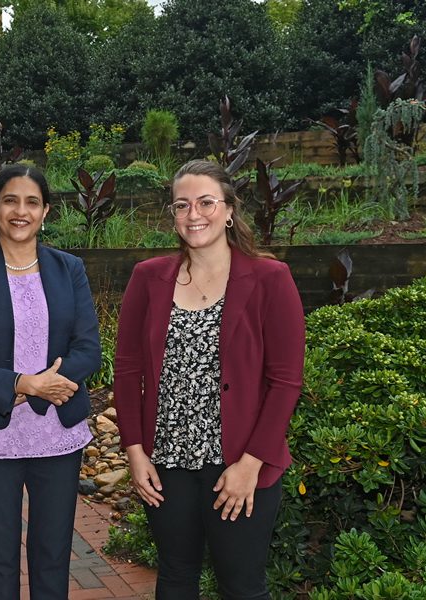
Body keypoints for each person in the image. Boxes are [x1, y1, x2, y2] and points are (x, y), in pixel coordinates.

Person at [114, 160, 305, 599]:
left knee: (241, 586)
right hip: (167, 462)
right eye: (182, 205)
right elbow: (127, 372)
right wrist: (135, 452)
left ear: (230, 210)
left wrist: (253, 464)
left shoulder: (269, 279)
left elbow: (286, 380)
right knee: (176, 578)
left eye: (205, 202)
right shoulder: (148, 278)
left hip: (237, 464)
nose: (194, 214)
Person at [0, 164, 101, 599]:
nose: (20, 211)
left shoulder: (69, 269)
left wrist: (51, 387)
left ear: (45, 211)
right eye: (10, 200)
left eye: (32, 202)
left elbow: (88, 349)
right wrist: (22, 385)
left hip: (57, 436)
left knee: (52, 557)